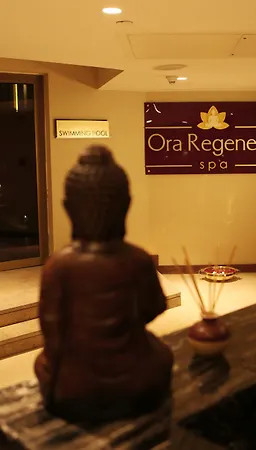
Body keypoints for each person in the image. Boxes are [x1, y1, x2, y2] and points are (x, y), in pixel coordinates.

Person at [34, 145, 173, 422]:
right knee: (162, 355)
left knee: (43, 363)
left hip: (75, 382)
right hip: (136, 374)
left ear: (69, 208)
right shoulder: (138, 260)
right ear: (126, 206)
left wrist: (55, 369)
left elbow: (52, 331)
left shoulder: (58, 266)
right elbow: (154, 308)